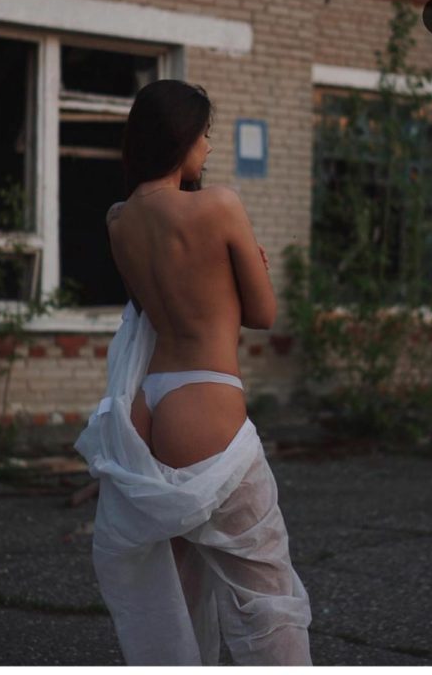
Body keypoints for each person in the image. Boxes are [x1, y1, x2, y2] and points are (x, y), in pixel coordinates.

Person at [74, 79, 312, 665]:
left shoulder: (118, 220)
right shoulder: (220, 205)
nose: (208, 147)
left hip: (148, 408)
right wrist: (248, 266)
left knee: (182, 583)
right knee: (266, 587)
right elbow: (262, 314)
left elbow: (154, 308)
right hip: (206, 402)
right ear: (179, 138)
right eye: (204, 135)